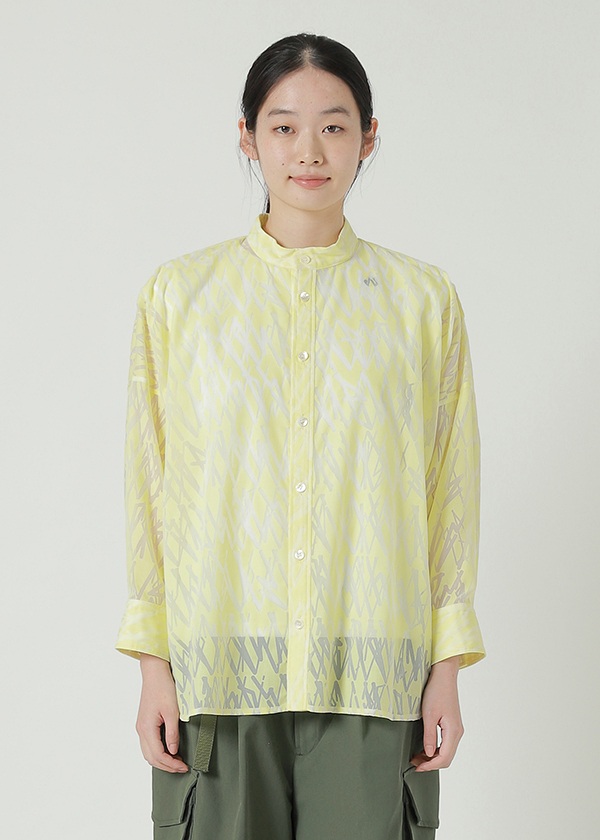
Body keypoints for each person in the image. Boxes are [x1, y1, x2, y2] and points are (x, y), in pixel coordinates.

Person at [116, 31, 485, 840]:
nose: (309, 151)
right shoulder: (179, 298)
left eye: (334, 125)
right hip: (219, 672)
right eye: (283, 126)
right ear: (247, 137)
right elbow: (152, 487)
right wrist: (153, 665)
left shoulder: (423, 303)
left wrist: (446, 668)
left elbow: (449, 493)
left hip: (374, 675)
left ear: (368, 138)